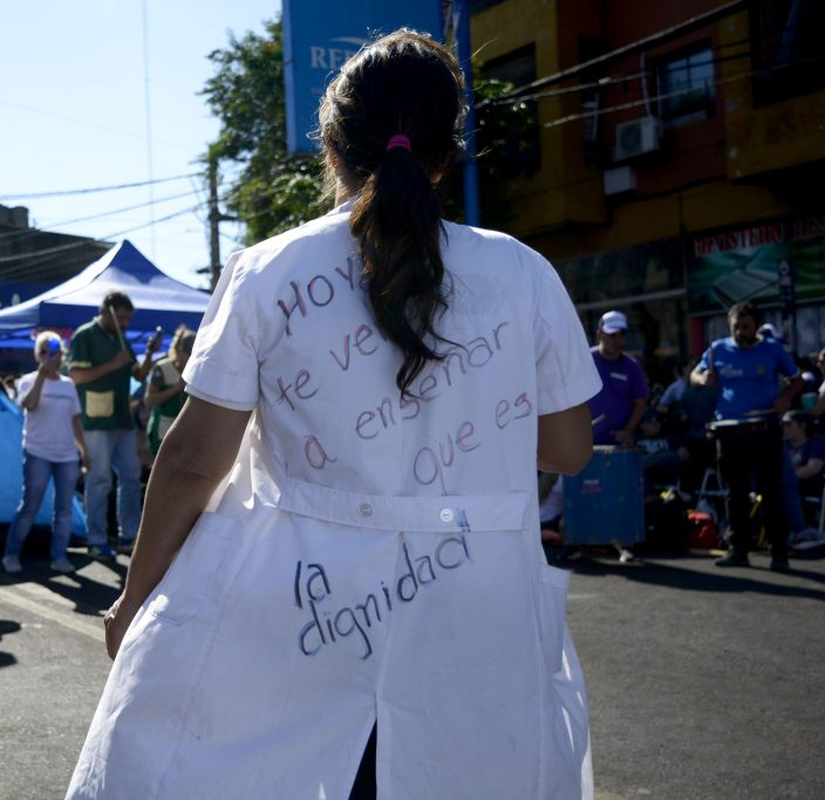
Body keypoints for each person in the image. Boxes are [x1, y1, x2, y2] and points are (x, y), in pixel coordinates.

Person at [68, 30, 599, 800]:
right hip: (476, 611)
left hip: (295, 615)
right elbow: (570, 448)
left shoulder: (269, 271)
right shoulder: (522, 271)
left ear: (331, 150)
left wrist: (133, 599)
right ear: (447, 154)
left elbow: (190, 463)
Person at [690, 302, 802, 570]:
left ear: (756, 327)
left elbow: (796, 380)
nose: (740, 332)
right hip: (729, 431)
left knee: (770, 491)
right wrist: (702, 378)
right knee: (734, 493)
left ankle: (779, 552)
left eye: (746, 327)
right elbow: (694, 374)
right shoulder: (718, 348)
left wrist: (786, 396)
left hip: (763, 428)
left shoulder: (772, 349)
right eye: (735, 327)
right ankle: (738, 550)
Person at [68, 292, 160, 559]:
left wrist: (150, 356)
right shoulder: (85, 335)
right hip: (96, 420)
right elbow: (76, 376)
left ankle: (128, 535)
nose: (125, 323)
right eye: (120, 317)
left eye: (128, 318)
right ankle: (96, 539)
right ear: (105, 312)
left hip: (122, 419)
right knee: (99, 479)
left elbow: (138, 374)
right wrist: (113, 364)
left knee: (131, 477)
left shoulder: (121, 340)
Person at [2, 332, 88, 575]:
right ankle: (11, 553)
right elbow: (29, 405)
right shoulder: (28, 380)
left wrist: (85, 451)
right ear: (38, 355)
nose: (55, 358)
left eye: (58, 352)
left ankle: (59, 557)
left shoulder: (68, 384)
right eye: (49, 353)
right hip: (37, 452)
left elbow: (75, 421)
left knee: (64, 510)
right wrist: (42, 373)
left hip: (67, 455)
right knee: (30, 505)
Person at [587, 310, 648, 447]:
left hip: (619, 445)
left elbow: (641, 402)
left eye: (621, 335)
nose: (617, 340)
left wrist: (628, 431)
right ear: (599, 334)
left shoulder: (632, 366)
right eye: (612, 335)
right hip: (585, 444)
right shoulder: (585, 361)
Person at [144, 326, 195, 455]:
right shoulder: (162, 369)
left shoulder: (199, 370)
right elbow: (149, 401)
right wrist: (175, 389)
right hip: (163, 431)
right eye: (188, 355)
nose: (190, 360)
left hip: (188, 432)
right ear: (178, 350)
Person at [782, 410, 825, 549]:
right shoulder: (782, 444)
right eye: (782, 424)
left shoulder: (816, 443)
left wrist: (788, 478)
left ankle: (801, 531)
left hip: (810, 483)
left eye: (788, 424)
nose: (784, 428)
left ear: (802, 426)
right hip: (785, 483)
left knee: (786, 486)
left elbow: (813, 468)